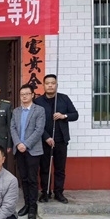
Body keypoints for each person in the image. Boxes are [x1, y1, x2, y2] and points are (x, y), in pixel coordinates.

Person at [34, 74, 79, 204]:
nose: (50, 85)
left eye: (53, 83)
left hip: (61, 140)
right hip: (44, 140)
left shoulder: (64, 99)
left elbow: (75, 115)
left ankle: (59, 192)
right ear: (43, 85)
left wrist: (64, 116)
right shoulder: (38, 102)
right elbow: (35, 123)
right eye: (47, 83)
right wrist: (46, 137)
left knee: (60, 168)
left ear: (56, 85)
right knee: (45, 168)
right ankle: (45, 192)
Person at [10, 84, 46, 219]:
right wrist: (18, 143)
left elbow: (39, 130)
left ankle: (32, 207)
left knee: (32, 179)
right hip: (19, 150)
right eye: (22, 94)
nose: (24, 96)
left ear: (32, 95)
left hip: (33, 150)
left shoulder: (39, 110)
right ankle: (26, 204)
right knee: (23, 179)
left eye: (27, 94)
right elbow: (12, 128)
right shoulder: (16, 111)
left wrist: (25, 144)